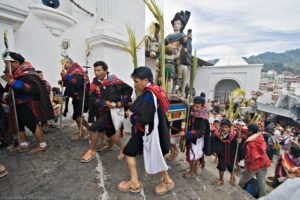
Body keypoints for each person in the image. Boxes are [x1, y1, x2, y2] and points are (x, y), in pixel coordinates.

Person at [118, 67, 173, 195]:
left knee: (154, 155)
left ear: (145, 80)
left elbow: (144, 118)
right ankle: (134, 182)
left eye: (136, 81)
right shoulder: (156, 89)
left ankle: (167, 181)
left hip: (151, 131)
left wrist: (131, 116)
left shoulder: (149, 93)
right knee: (131, 152)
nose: (134, 84)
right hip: (153, 129)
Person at [80, 61, 133, 162]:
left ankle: (91, 151)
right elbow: (92, 97)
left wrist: (122, 102)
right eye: (95, 70)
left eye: (99, 70)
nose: (96, 73)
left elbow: (128, 90)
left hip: (114, 111)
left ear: (105, 70)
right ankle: (123, 149)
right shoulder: (94, 84)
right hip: (102, 111)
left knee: (94, 127)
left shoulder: (114, 81)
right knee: (110, 133)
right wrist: (104, 103)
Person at [3, 52, 54, 154]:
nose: (6, 66)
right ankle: (23, 144)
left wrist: (14, 83)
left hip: (27, 104)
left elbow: (33, 89)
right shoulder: (16, 74)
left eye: (7, 63)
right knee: (20, 124)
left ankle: (42, 144)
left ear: (16, 62)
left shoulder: (28, 74)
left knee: (32, 124)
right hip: (17, 104)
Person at [59, 57, 90, 140]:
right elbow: (71, 84)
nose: (64, 67)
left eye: (65, 65)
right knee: (76, 116)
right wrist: (63, 81)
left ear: (70, 63)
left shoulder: (77, 71)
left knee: (78, 116)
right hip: (76, 97)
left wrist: (67, 77)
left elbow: (78, 83)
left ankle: (89, 129)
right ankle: (81, 132)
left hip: (82, 97)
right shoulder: (71, 71)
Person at [181, 96, 211, 178]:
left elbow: (200, 132)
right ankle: (196, 166)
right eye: (194, 106)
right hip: (192, 137)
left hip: (197, 139)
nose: (195, 108)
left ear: (202, 106)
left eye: (197, 107)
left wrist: (187, 133)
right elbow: (189, 106)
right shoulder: (192, 111)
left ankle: (192, 171)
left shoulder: (203, 118)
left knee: (192, 155)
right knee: (195, 154)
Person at [239, 124, 271, 198]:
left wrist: (247, 164)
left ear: (251, 131)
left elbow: (252, 157)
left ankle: (238, 189)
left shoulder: (251, 144)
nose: (246, 131)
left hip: (254, 164)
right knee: (262, 182)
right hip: (264, 163)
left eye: (248, 130)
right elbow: (244, 131)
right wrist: (236, 126)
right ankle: (262, 196)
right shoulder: (259, 137)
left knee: (244, 179)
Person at [212, 119, 241, 186]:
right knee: (221, 166)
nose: (224, 129)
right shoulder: (217, 134)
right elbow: (214, 142)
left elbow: (238, 145)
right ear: (220, 126)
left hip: (231, 154)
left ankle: (232, 177)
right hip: (222, 153)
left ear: (229, 128)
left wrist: (239, 142)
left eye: (226, 127)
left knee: (231, 167)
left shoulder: (235, 135)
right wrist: (214, 151)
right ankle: (221, 179)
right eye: (223, 127)